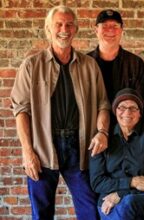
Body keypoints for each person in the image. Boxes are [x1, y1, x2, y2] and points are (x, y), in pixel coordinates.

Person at [10, 6, 110, 219]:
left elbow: (103, 104)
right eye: (58, 24)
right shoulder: (31, 66)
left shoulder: (90, 65)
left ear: (76, 29)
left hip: (81, 148)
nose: (64, 29)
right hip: (42, 148)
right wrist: (28, 152)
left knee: (90, 211)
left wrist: (102, 132)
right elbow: (21, 110)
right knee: (42, 213)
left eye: (69, 24)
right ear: (48, 29)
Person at [89, 88, 144, 219]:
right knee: (121, 211)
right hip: (108, 201)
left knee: (128, 204)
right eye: (122, 107)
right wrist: (132, 182)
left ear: (140, 113)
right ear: (115, 111)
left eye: (133, 108)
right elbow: (97, 182)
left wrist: (120, 194)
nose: (127, 112)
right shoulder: (101, 139)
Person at [88, 9, 144, 131]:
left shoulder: (135, 63)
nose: (110, 30)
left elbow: (143, 105)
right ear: (96, 30)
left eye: (115, 26)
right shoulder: (85, 63)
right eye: (105, 26)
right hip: (93, 134)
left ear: (122, 30)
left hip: (127, 134)